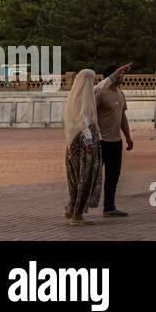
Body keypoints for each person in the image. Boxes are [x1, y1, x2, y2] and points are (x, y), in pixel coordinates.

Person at [62, 69, 104, 225]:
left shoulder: (75, 96)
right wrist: (89, 141)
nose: (94, 83)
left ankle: (72, 208)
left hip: (73, 143)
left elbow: (100, 87)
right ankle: (78, 215)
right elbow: (82, 119)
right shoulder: (83, 99)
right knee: (85, 178)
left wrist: (117, 73)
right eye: (92, 80)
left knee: (74, 178)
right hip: (85, 143)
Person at [95, 63, 134, 217]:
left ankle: (109, 207)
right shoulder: (100, 93)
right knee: (93, 176)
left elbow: (122, 117)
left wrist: (128, 136)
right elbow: (90, 114)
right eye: (120, 73)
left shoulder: (120, 94)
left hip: (116, 142)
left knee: (113, 176)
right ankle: (78, 207)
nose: (123, 76)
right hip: (101, 141)